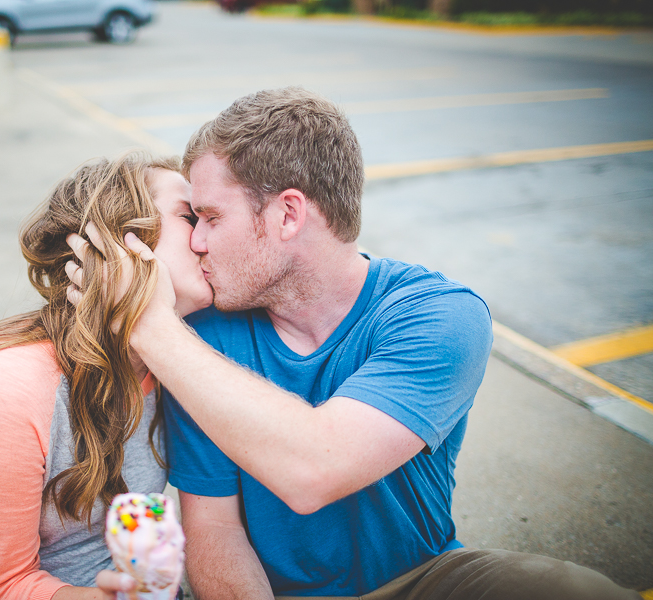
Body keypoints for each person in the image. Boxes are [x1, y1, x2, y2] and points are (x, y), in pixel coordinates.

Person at [66, 88, 641, 599]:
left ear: (288, 214)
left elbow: (315, 469)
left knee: (577, 590)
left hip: (420, 580)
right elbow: (214, 531)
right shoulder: (205, 336)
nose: (195, 239)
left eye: (211, 217)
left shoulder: (438, 316)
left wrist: (149, 325)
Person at [0, 152, 211, 600]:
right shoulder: (6, 387)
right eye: (190, 217)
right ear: (121, 241)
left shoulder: (180, 353)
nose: (208, 236)